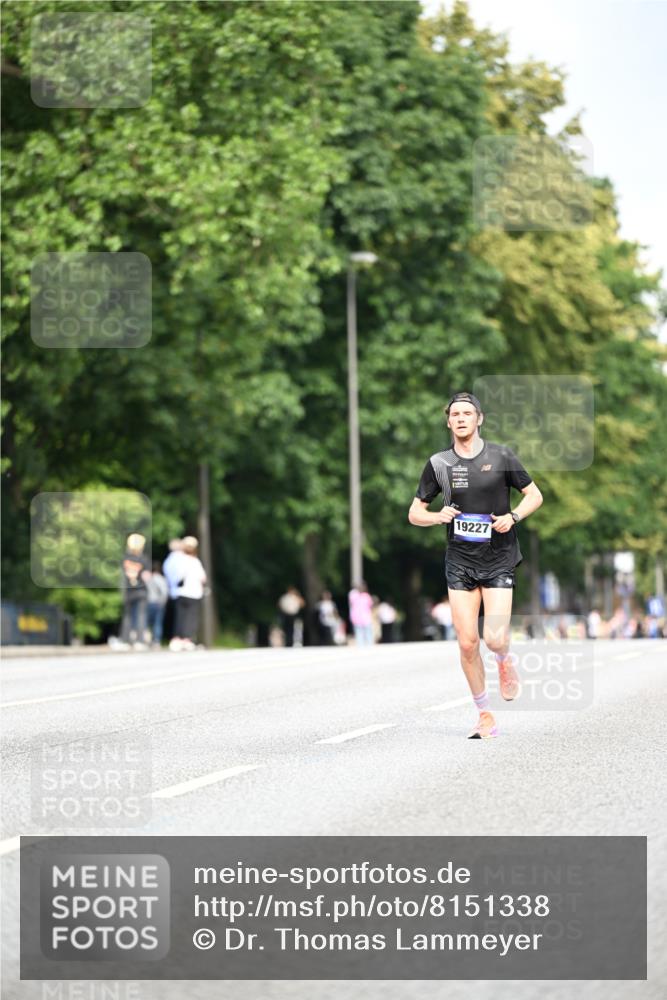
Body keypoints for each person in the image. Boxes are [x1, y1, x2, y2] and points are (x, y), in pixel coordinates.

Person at [409, 391, 543, 739]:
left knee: (494, 638)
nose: (461, 418)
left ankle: (503, 659)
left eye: (468, 413)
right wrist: (438, 516)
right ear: (449, 421)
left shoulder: (501, 456)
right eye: (455, 414)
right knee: (467, 643)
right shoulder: (439, 464)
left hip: (498, 556)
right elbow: (414, 513)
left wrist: (513, 517)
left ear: (479, 419)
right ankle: (485, 714)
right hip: (460, 560)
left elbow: (535, 496)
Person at [170, 536, 207, 651]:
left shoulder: (178, 560)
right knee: (191, 617)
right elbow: (203, 578)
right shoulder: (195, 561)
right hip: (194, 593)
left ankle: (177, 639)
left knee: (180, 616)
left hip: (180, 592)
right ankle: (187, 639)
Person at [119, 533, 150, 648]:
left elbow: (122, 576)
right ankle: (140, 641)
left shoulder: (125, 558)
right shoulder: (144, 559)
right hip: (141, 590)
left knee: (127, 616)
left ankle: (125, 641)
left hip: (128, 590)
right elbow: (147, 576)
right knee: (141, 615)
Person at [162, 538, 187, 640]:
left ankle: (175, 637)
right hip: (183, 590)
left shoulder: (168, 560)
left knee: (176, 616)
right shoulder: (181, 558)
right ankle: (181, 637)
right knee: (183, 616)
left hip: (172, 591)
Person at [146, 562, 169, 647]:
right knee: (158, 623)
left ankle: (147, 640)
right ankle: (156, 641)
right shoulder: (161, 579)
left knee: (148, 623)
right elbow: (164, 592)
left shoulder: (149, 579)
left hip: (149, 603)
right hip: (158, 603)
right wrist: (163, 602)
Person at [348, 581, 374, 646]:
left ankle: (366, 646)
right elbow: (371, 606)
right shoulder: (364, 596)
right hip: (361, 618)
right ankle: (365, 646)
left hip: (362, 617)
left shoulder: (355, 596)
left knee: (363, 633)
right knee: (363, 633)